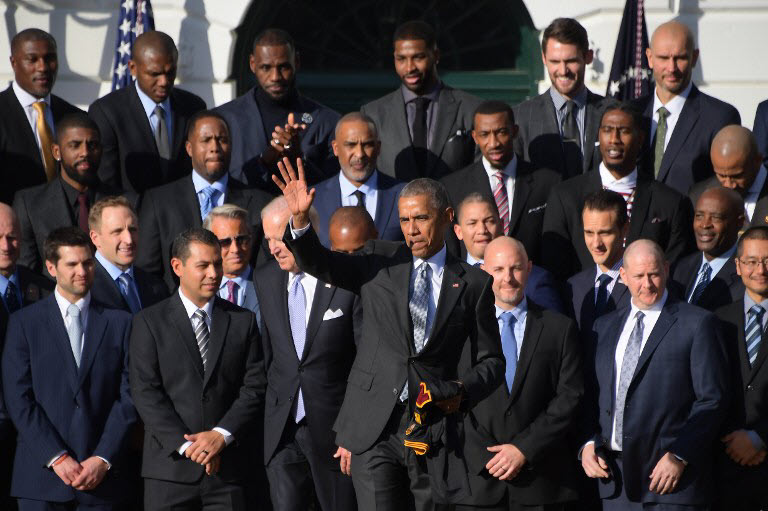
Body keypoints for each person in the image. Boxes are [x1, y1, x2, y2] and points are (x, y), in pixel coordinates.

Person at [275, 158, 504, 509]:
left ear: (446, 217)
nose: (411, 229)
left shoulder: (473, 283)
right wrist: (301, 221)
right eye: (405, 219)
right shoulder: (378, 261)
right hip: (374, 427)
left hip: (433, 429)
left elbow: (492, 362)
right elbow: (319, 262)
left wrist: (458, 391)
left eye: (421, 218)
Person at [580, 239, 729, 510]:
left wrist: (681, 455)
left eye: (654, 274)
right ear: (623, 276)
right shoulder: (603, 327)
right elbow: (589, 393)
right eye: (638, 276)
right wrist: (588, 443)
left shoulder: (698, 324)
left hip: (671, 483)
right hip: (614, 484)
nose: (647, 284)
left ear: (667, 270)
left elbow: (712, 399)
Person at [130, 227, 266, 511]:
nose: (214, 273)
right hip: (169, 473)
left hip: (227, 473)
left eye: (217, 263)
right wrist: (188, 447)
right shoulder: (149, 322)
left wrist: (221, 435)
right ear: (177, 267)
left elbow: (254, 387)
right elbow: (146, 392)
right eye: (203, 265)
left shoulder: (243, 321)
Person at [2, 227, 136, 510]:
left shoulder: (120, 323)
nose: (83, 271)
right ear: (51, 267)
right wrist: (56, 456)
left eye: (87, 262)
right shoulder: (24, 323)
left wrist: (103, 458)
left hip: (103, 482)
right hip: (41, 479)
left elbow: (129, 395)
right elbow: (18, 398)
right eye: (72, 264)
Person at [456, 236, 582, 510]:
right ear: (483, 272)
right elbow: (452, 396)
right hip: (478, 484)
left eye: (516, 268)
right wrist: (487, 457)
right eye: (499, 270)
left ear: (529, 269)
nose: (508, 278)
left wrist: (524, 448)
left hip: (543, 484)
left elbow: (569, 397)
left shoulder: (559, 329)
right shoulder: (460, 331)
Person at [254, 197, 359, 511]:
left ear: (303, 231)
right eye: (268, 240)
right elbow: (270, 355)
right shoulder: (266, 278)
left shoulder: (343, 279)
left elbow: (362, 362)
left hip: (334, 433)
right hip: (282, 430)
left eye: (280, 239)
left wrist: (353, 431)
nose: (273, 248)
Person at [542, 102, 694, 280]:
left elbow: (675, 269)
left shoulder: (670, 202)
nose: (614, 139)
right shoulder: (565, 196)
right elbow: (554, 268)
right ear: (599, 134)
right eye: (607, 130)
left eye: (624, 131)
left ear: (640, 138)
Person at [137, 110, 272, 290]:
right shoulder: (159, 202)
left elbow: (267, 269)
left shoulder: (259, 202)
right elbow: (147, 274)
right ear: (189, 148)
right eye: (206, 140)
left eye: (222, 139)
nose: (215, 147)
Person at [216, 28, 340, 191]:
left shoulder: (327, 121)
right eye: (266, 68)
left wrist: (299, 160)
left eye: (283, 67)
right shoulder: (224, 120)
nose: (275, 77)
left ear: (296, 62)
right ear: (253, 64)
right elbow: (218, 184)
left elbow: (335, 191)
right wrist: (263, 161)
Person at [361, 20, 482, 181]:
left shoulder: (471, 109)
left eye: (418, 57)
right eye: (401, 59)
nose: (410, 67)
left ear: (436, 56)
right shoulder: (373, 114)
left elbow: (482, 176)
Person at [442, 100, 561, 263]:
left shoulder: (547, 183)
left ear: (515, 131)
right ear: (475, 137)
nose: (494, 143)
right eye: (485, 134)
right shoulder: (452, 188)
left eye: (501, 132)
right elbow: (452, 251)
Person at [88, 30, 206, 194]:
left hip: (184, 215)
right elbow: (107, 184)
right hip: (132, 215)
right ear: (133, 68)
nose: (164, 81)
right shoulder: (107, 112)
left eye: (170, 72)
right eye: (154, 74)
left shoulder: (193, 107)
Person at [13, 112, 132, 274]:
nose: (85, 152)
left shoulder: (124, 201)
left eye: (92, 145)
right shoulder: (29, 204)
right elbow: (26, 272)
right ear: (56, 152)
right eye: (75, 145)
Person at [634, 20, 740, 195]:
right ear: (650, 58)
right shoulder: (631, 112)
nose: (672, 68)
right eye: (663, 58)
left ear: (694, 58)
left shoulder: (720, 117)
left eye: (680, 58)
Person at [0, 203, 53, 511]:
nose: (7, 246)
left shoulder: (45, 288)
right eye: (0, 237)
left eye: (13, 237)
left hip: (38, 426)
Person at [513, 18, 611, 178]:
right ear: (543, 59)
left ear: (588, 57)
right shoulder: (521, 117)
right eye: (555, 61)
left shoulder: (612, 111)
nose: (563, 70)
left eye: (571, 61)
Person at [714, 226, 768, 510]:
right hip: (725, 468)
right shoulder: (717, 321)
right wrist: (733, 442)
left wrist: (761, 438)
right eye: (751, 261)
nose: (760, 269)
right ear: (737, 265)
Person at [0, 28, 82, 204]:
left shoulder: (73, 116)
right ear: (14, 63)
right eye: (32, 59)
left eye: (49, 58)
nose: (43, 67)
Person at [454, 193, 564, 313]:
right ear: (458, 231)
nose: (482, 230)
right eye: (472, 223)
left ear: (501, 225)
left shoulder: (534, 280)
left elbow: (552, 328)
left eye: (489, 221)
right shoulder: (447, 279)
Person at [312, 112, 405, 246]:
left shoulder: (403, 196)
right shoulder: (313, 199)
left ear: (378, 148)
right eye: (351, 145)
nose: (360, 154)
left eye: (367, 144)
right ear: (336, 148)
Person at [564, 190, 631, 334]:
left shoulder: (642, 283)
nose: (596, 243)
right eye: (589, 233)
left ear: (624, 230)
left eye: (605, 233)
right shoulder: (574, 287)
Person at [88, 195, 168, 313]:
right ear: (95, 238)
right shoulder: (84, 287)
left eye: (132, 229)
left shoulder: (155, 286)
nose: (129, 240)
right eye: (117, 231)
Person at [670, 187, 744, 311]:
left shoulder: (747, 275)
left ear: (739, 222)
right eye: (699, 216)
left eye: (716, 217)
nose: (704, 224)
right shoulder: (680, 268)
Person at [689, 126, 767, 224]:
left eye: (737, 176)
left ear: (757, 161)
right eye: (721, 175)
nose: (729, 185)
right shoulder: (699, 196)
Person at [203, 204, 261, 321]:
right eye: (225, 242)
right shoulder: (199, 290)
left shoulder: (269, 286)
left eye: (242, 239)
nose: (235, 249)